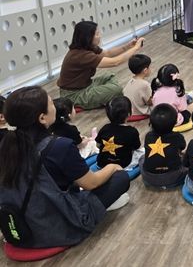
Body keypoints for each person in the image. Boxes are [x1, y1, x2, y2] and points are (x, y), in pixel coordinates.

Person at [0, 87, 130, 248]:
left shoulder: (6, 144)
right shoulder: (59, 146)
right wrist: (112, 166)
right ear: (42, 118)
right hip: (58, 226)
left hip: (19, 223)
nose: (54, 104)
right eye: (50, 103)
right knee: (121, 177)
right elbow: (91, 183)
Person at [57, 21, 145, 109]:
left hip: (86, 85)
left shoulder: (88, 47)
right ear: (88, 37)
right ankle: (102, 96)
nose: (99, 36)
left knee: (110, 76)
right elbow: (115, 62)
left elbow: (108, 53)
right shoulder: (81, 55)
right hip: (73, 95)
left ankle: (104, 95)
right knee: (117, 90)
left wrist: (128, 46)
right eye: (97, 34)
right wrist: (136, 48)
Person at [140, 103, 187, 188]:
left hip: (149, 179)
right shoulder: (177, 136)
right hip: (174, 178)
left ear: (151, 122)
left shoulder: (148, 136)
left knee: (142, 158)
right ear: (175, 122)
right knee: (187, 159)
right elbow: (182, 147)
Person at [96, 96, 142, 169]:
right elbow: (136, 147)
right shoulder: (132, 131)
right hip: (123, 165)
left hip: (102, 163)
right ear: (129, 114)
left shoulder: (105, 128)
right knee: (143, 152)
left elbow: (98, 145)